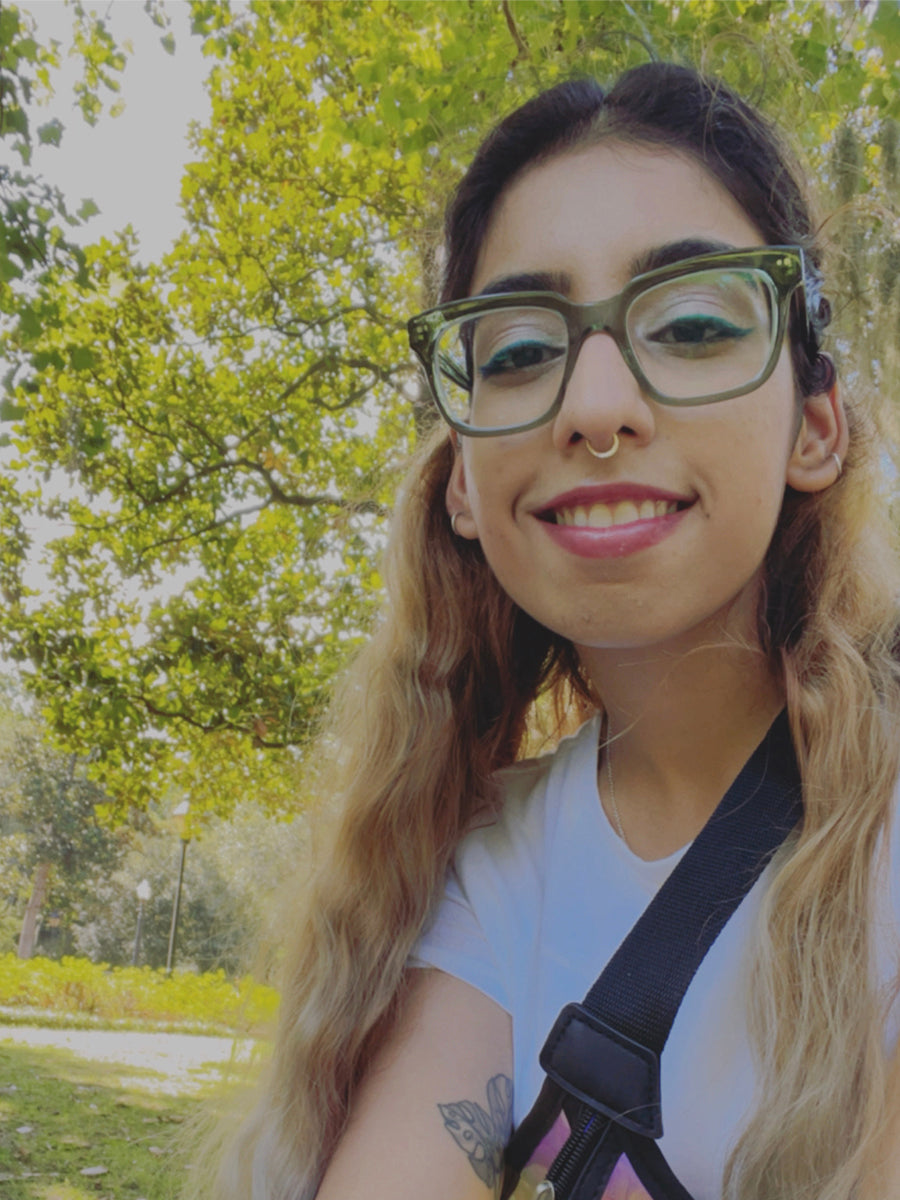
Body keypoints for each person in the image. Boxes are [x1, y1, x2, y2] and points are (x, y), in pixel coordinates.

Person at [210, 62, 900, 1200]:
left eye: (691, 324)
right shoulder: (490, 868)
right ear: (465, 485)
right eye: (521, 352)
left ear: (814, 428)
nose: (594, 407)